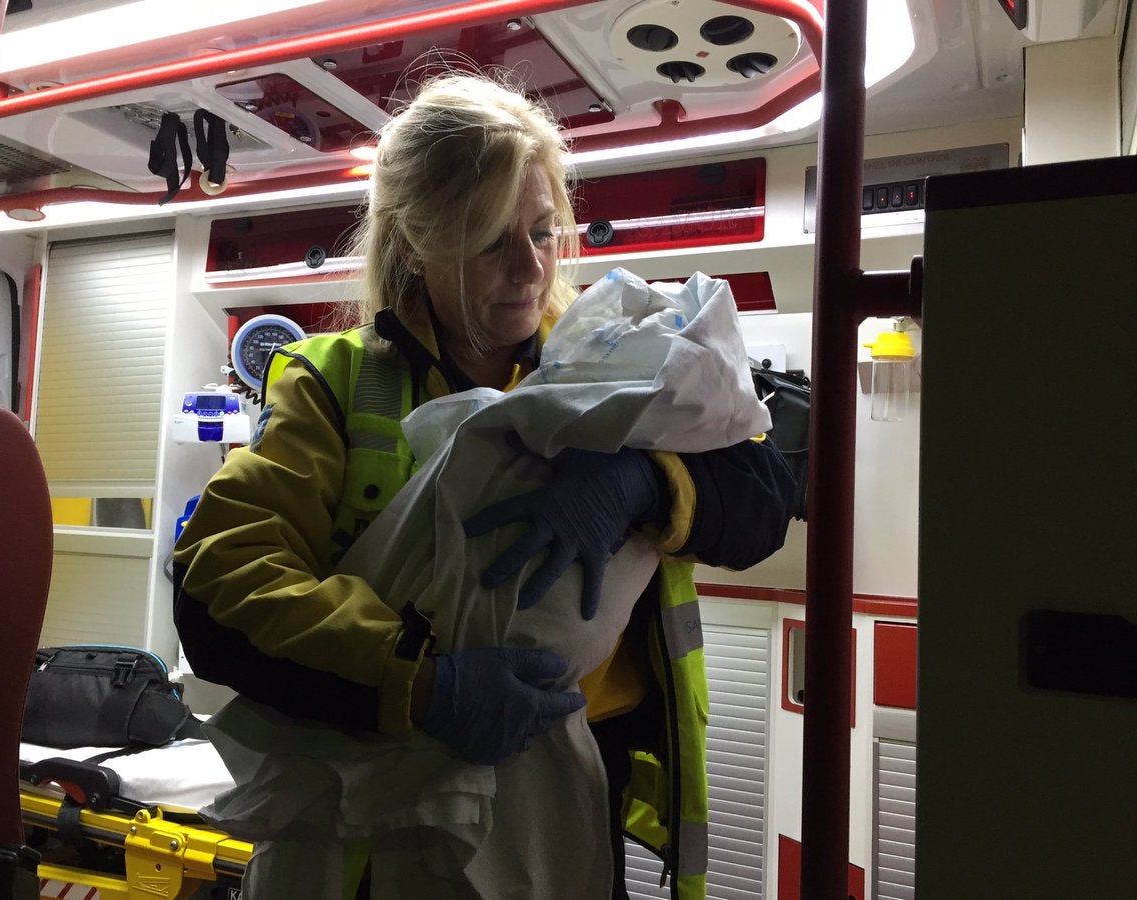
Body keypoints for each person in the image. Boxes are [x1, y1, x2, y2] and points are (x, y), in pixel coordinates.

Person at [174, 70, 798, 899]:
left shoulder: (612, 355)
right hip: (386, 812)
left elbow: (763, 492)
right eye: (490, 241)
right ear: (413, 243)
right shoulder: (333, 382)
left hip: (582, 781)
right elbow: (218, 592)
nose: (530, 268)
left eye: (544, 232)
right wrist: (426, 684)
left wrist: (644, 482)